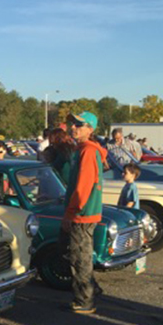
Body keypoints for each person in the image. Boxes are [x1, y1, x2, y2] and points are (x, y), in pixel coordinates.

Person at [62, 111, 104, 314]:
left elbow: (83, 187)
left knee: (80, 258)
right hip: (86, 212)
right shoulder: (85, 149)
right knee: (83, 256)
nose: (73, 127)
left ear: (90, 129)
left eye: (79, 124)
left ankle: (84, 301)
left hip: (83, 214)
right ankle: (92, 290)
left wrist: (70, 213)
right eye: (73, 124)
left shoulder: (87, 151)